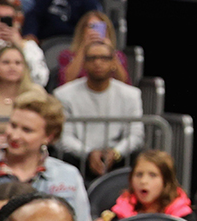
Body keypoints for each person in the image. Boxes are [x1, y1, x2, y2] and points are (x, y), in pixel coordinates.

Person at [54, 40, 143, 178]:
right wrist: (89, 153)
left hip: (119, 159)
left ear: (114, 62)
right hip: (76, 159)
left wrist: (116, 153)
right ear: (84, 63)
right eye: (92, 58)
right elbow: (64, 137)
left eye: (104, 58)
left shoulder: (131, 95)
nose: (98, 63)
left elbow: (135, 135)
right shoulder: (63, 94)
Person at [90, 150, 197, 221]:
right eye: (139, 175)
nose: (143, 181)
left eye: (152, 175)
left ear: (166, 181)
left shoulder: (184, 217)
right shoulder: (119, 214)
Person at [56, 11, 130, 86]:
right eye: (92, 26)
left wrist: (110, 51)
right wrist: (84, 47)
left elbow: (124, 82)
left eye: (100, 27)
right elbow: (67, 80)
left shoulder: (118, 55)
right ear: (83, 30)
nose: (95, 31)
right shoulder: (67, 55)